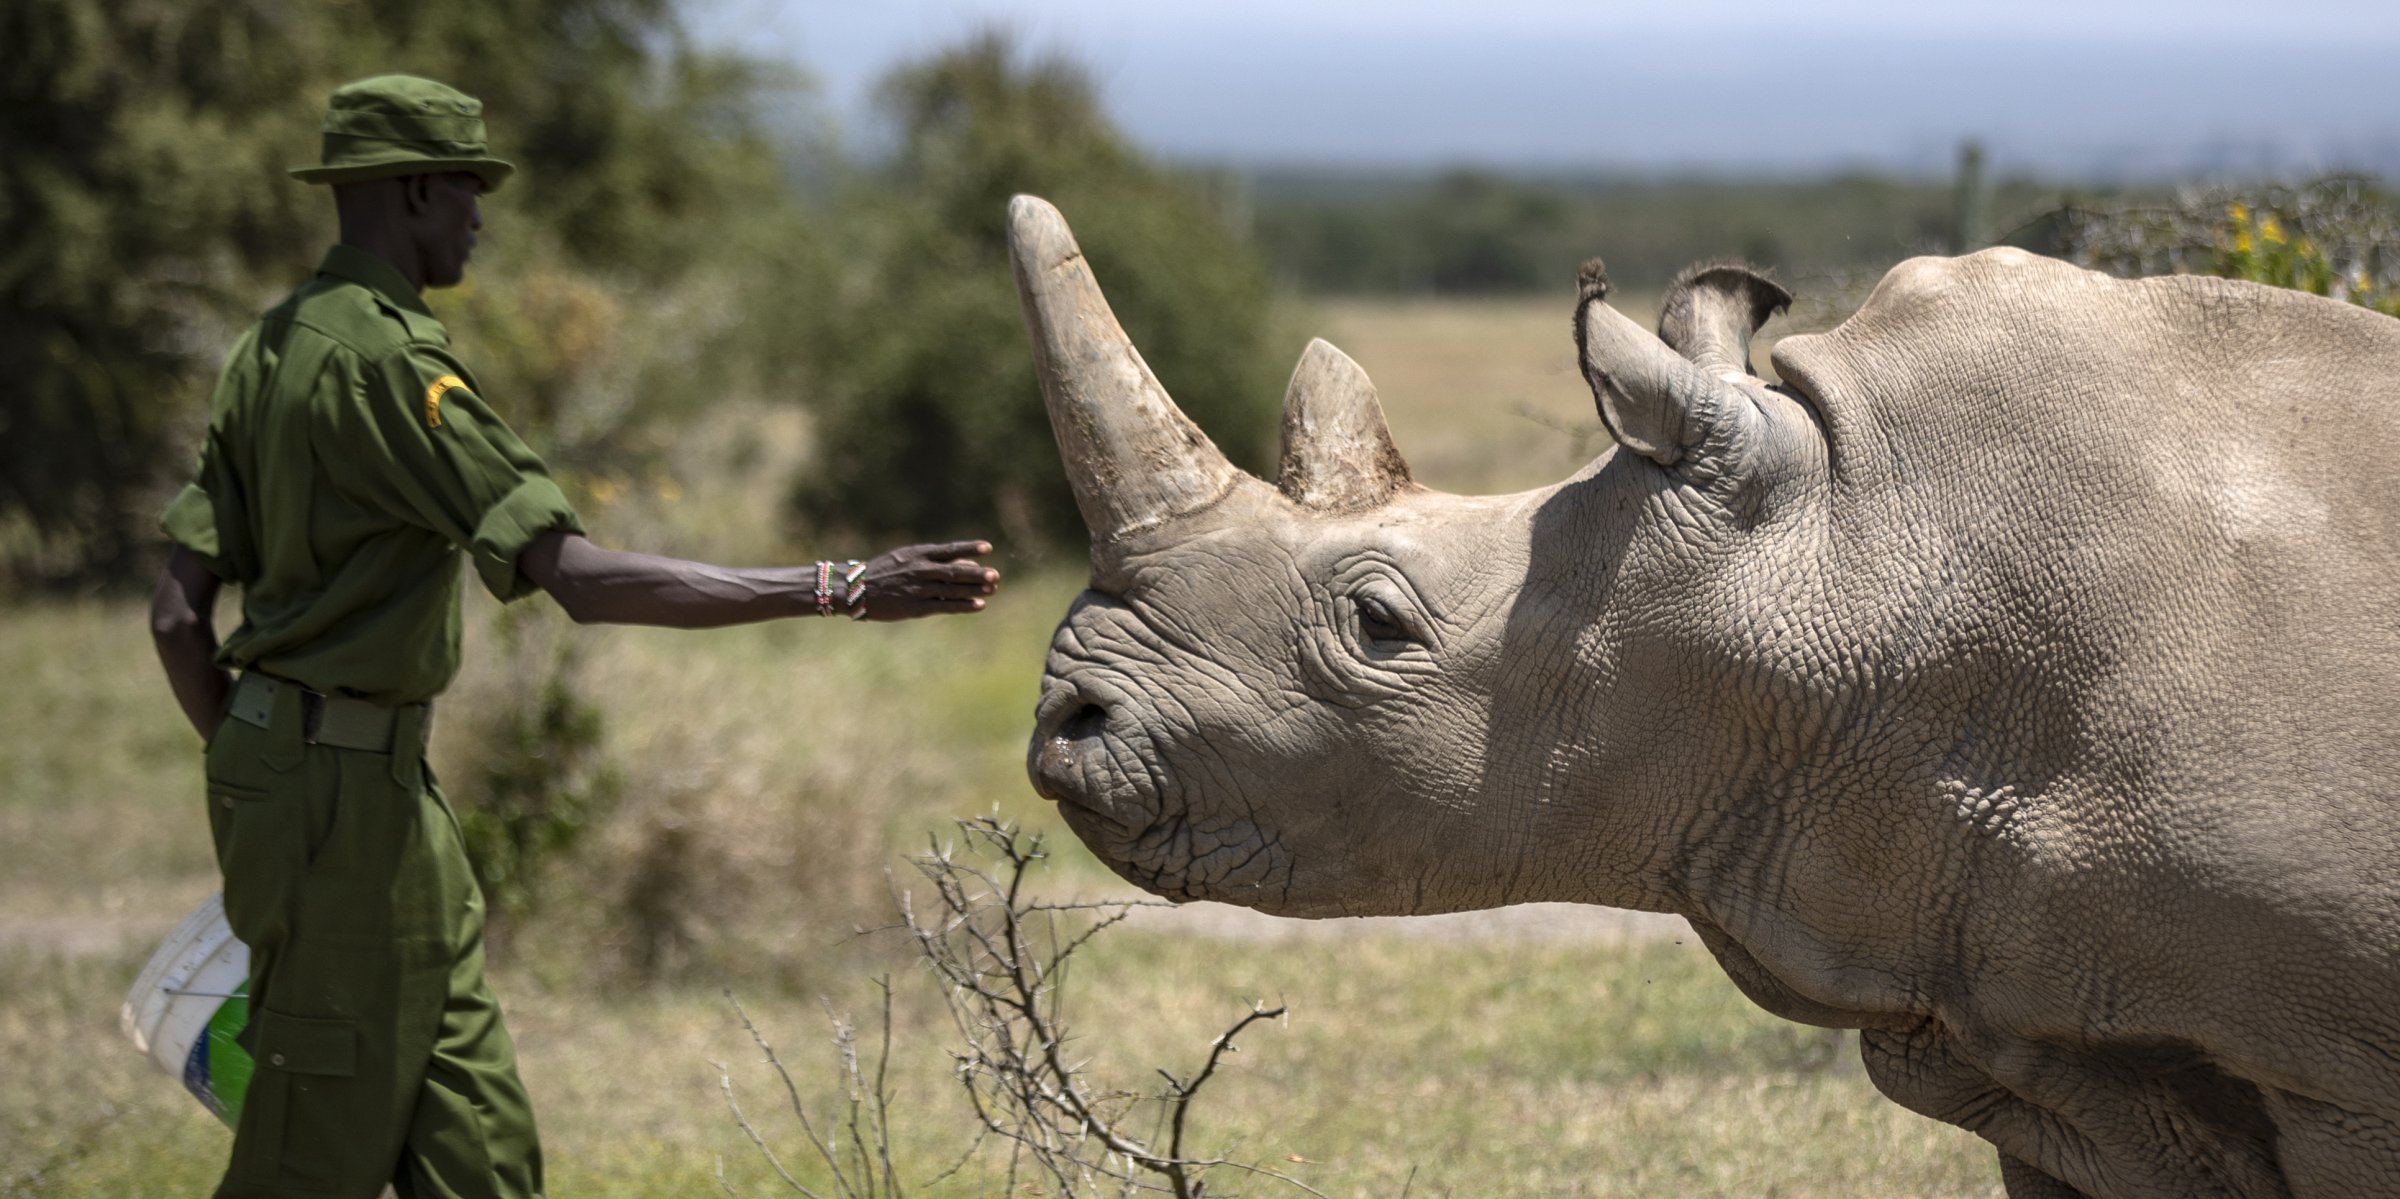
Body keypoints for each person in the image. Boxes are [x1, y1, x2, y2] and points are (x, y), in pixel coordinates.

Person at [147, 74, 1000, 1199]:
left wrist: (257, 754)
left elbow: (174, 612)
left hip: (363, 787)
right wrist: (840, 583)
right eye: (466, 188)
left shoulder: (267, 347)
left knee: (478, 1142)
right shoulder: (398, 370)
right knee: (315, 1151)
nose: (479, 217)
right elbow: (580, 579)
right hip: (342, 803)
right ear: (411, 191)